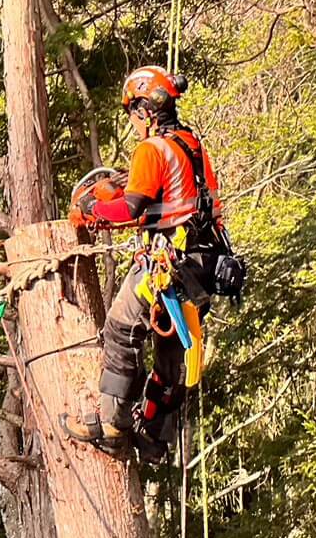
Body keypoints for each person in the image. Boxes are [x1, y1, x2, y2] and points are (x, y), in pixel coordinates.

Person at [62, 64, 238, 461]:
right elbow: (181, 203)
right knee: (170, 358)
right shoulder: (192, 145)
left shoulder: (151, 149)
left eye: (132, 113)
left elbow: (130, 208)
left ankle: (111, 423)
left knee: (121, 329)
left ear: (144, 109)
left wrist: (92, 207)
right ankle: (154, 437)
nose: (132, 122)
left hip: (166, 265)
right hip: (202, 266)